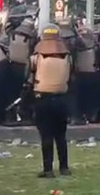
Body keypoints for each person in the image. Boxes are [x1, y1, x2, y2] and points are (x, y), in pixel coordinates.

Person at [26, 24, 72, 178]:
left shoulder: (36, 57)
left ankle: (48, 169)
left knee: (46, 136)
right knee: (61, 136)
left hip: (42, 99)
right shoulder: (68, 56)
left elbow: (28, 77)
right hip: (61, 99)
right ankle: (64, 167)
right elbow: (72, 76)